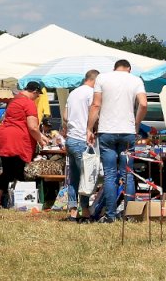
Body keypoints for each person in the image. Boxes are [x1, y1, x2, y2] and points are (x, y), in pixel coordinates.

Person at [86, 60, 146, 222]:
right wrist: (137, 123)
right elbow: (143, 104)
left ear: (114, 68)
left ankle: (110, 215)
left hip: (107, 131)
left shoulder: (103, 78)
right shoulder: (136, 80)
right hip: (127, 132)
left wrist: (90, 129)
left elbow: (96, 105)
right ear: (129, 69)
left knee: (110, 175)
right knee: (128, 174)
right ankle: (131, 215)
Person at [0, 81, 47, 209]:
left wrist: (41, 136)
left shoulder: (13, 100)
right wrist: (40, 140)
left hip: (4, 138)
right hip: (16, 141)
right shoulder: (28, 103)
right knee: (18, 172)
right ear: (35, 91)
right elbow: (33, 127)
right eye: (37, 95)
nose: (37, 98)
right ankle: (21, 202)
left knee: (8, 172)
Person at [63, 69, 98, 222]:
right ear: (95, 81)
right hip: (82, 139)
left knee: (74, 178)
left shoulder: (73, 93)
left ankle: (72, 211)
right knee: (86, 178)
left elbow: (65, 116)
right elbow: (94, 114)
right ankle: (85, 211)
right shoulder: (91, 93)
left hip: (70, 139)